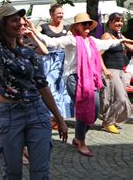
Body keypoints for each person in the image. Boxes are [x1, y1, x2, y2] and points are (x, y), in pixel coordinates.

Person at [0, 0, 68, 179]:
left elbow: (42, 85)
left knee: (40, 172)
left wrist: (59, 116)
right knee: (13, 173)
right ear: (2, 25)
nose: (20, 24)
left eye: (21, 20)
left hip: (37, 112)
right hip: (9, 114)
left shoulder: (29, 51)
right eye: (13, 21)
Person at [34, 11, 132, 157]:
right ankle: (82, 141)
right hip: (74, 79)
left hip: (90, 79)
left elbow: (107, 43)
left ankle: (78, 137)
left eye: (88, 24)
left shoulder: (92, 41)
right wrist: (33, 34)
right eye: (83, 24)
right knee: (83, 108)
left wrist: (122, 41)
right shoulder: (71, 40)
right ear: (77, 27)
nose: (87, 26)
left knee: (94, 112)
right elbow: (51, 42)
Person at [37, 4, 73, 128]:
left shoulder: (67, 28)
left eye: (62, 13)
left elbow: (72, 41)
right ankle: (51, 116)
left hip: (63, 60)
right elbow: (34, 36)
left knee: (61, 88)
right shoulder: (44, 27)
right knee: (50, 87)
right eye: (58, 13)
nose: (61, 15)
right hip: (48, 61)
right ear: (51, 15)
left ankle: (60, 116)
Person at [100, 13, 133, 134]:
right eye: (116, 21)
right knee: (120, 98)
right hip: (111, 70)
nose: (119, 23)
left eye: (121, 21)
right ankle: (108, 122)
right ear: (110, 23)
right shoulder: (106, 36)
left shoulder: (119, 36)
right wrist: (104, 70)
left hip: (120, 71)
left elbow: (131, 47)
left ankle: (110, 121)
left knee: (119, 98)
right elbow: (98, 54)